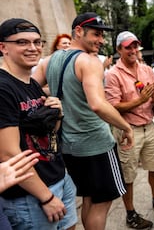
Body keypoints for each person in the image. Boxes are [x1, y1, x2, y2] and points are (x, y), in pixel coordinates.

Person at [32, 12, 134, 230]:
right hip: (96, 144)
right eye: (96, 34)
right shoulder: (89, 61)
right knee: (102, 201)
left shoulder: (50, 60)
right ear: (78, 31)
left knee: (89, 198)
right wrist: (125, 127)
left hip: (68, 146)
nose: (101, 40)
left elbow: (29, 89)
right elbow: (98, 104)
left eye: (102, 36)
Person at [0, 18, 77, 229]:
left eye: (37, 42)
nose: (33, 48)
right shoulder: (3, 88)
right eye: (22, 42)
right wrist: (46, 198)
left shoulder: (32, 84)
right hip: (29, 196)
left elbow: (50, 136)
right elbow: (8, 154)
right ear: (3, 47)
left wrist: (57, 115)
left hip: (59, 178)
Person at [104, 31, 154, 229]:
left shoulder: (146, 70)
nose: (133, 50)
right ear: (119, 50)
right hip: (128, 130)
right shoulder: (113, 75)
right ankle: (130, 213)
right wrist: (141, 100)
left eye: (135, 46)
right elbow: (113, 106)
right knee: (128, 175)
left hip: (149, 125)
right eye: (128, 47)